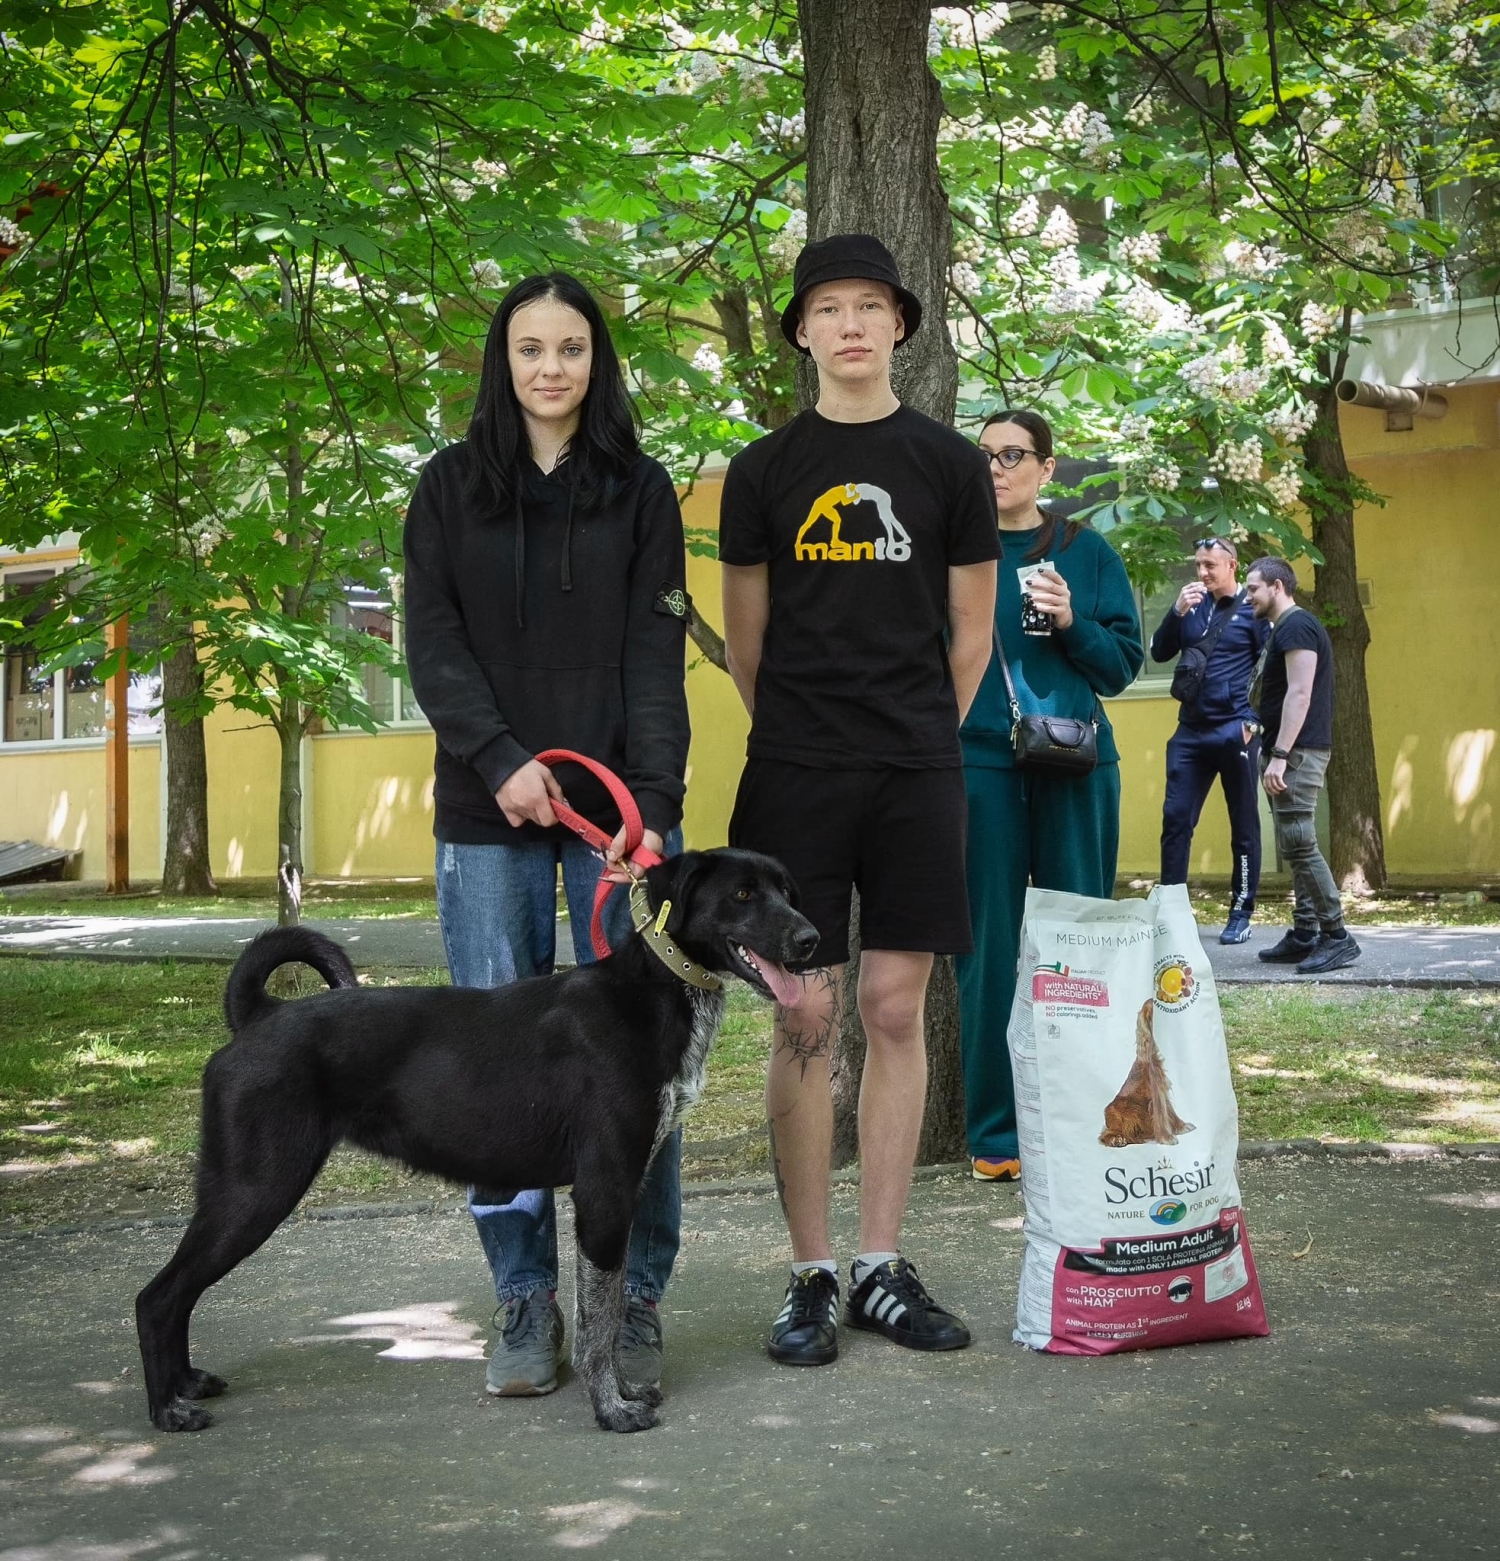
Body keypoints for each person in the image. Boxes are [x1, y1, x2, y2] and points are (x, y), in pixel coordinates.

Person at [402, 272, 691, 1397]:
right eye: (531, 348)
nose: (552, 368)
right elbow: (431, 645)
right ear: (503, 360)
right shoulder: (446, 488)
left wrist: (652, 812)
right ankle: (525, 1301)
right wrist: (496, 758)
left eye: (572, 347)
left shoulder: (642, 490)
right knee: (493, 1068)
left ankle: (637, 1299)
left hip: (615, 831)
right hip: (486, 819)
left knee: (638, 1069)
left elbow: (652, 667)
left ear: (596, 361)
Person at [719, 233, 998, 1366]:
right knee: (804, 1013)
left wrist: (919, 727)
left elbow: (970, 632)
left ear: (898, 326)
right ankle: (810, 1272)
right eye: (827, 307)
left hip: (919, 768)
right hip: (793, 770)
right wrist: (804, 730)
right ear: (802, 331)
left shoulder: (948, 465)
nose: (848, 324)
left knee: (892, 1005)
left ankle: (880, 1264)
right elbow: (748, 639)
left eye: (868, 306)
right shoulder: (763, 470)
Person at [955, 410, 1144, 1183]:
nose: (996, 467)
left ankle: (1083, 1122)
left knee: (1080, 949)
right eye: (985, 454)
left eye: (1012, 454)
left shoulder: (1085, 551)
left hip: (1076, 764)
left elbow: (1123, 665)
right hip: (978, 767)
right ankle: (996, 1136)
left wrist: (1071, 622)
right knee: (989, 953)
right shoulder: (951, 553)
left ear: (1047, 467)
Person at [1151, 536, 1270, 944]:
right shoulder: (1191, 606)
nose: (1201, 573)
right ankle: (1171, 912)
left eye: (1210, 566)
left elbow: (1270, 671)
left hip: (1233, 729)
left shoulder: (1254, 610)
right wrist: (1175, 611)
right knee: (1176, 820)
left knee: (1243, 825)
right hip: (1190, 732)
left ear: (1232, 566)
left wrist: (1252, 722)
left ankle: (1241, 911)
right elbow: (1160, 651)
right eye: (1198, 565)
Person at [1244, 556, 1360, 973]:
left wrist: (1280, 755)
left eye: (1253, 587)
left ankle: (1337, 936)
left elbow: (1300, 694)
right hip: (1289, 748)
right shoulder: (1287, 628)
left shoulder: (1295, 625)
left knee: (1299, 839)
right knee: (1294, 842)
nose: (1248, 595)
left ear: (1277, 586)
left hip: (1296, 751)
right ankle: (1306, 932)